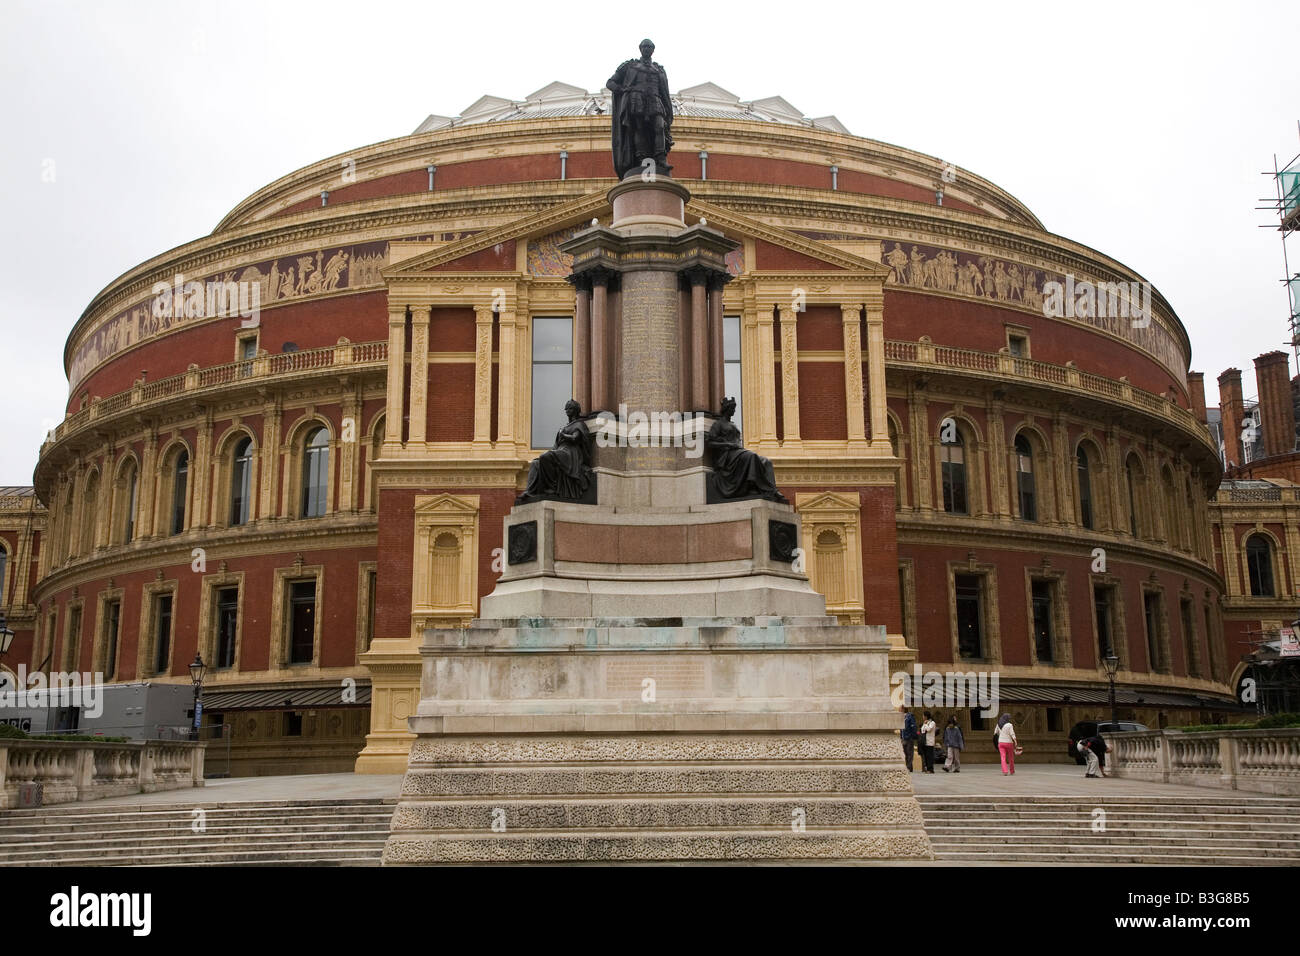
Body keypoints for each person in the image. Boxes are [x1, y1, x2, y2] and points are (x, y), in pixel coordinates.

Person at [900, 706, 917, 772]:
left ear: (903, 709)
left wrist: (911, 736)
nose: (899, 710)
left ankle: (909, 767)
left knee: (910, 753)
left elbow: (913, 727)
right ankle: (908, 766)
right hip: (904, 737)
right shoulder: (902, 717)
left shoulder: (909, 716)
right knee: (905, 753)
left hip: (909, 738)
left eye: (900, 709)